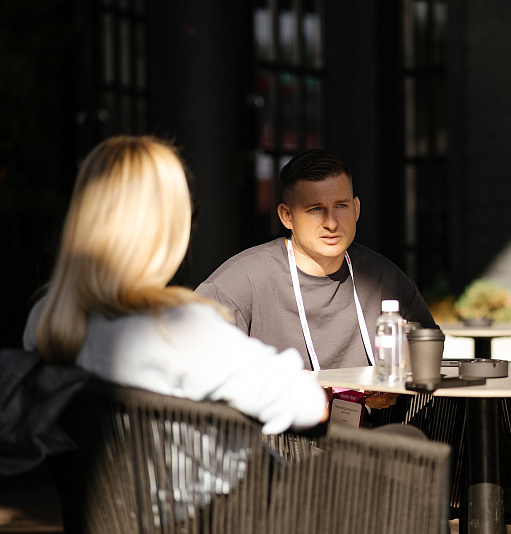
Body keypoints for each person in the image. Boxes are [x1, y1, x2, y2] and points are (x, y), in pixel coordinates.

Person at [23, 135, 328, 435]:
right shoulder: (177, 329)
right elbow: (308, 404)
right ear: (166, 228)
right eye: (188, 213)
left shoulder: (47, 319)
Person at [195, 149, 437, 409]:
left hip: (369, 430)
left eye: (341, 206)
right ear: (287, 216)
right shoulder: (243, 280)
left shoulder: (382, 277)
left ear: (356, 209)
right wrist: (275, 382)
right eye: (315, 209)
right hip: (274, 431)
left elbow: (429, 349)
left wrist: (398, 385)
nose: (331, 223)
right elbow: (192, 361)